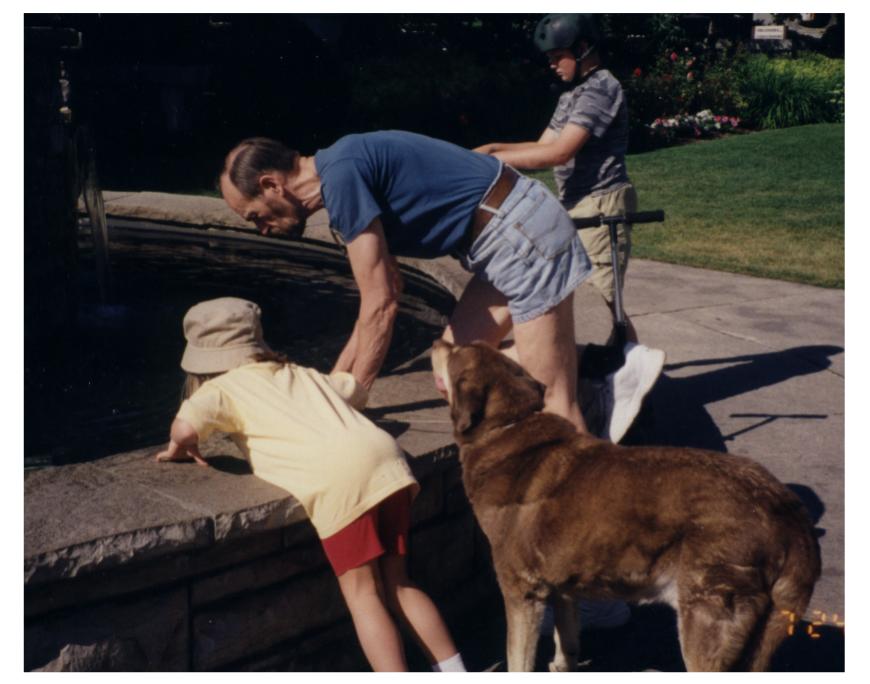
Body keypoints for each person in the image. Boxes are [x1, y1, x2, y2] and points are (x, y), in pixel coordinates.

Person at [156, 297, 465, 673]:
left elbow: (184, 427)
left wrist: (178, 448)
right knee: (399, 583)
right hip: (387, 460)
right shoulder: (298, 373)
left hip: (341, 481)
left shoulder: (218, 391)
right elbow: (353, 391)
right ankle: (455, 672)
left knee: (364, 596)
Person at [218, 131, 594, 435]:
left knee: (555, 408)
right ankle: (590, 365)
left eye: (256, 217)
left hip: (519, 232)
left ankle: (590, 521)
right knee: (451, 367)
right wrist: (334, 387)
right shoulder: (342, 174)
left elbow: (381, 304)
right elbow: (385, 294)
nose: (262, 229)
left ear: (271, 185)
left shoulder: (342, 177)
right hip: (502, 236)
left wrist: (350, 406)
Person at [474, 13, 665, 443]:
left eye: (558, 56)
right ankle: (623, 380)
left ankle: (635, 389)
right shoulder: (572, 93)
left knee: (605, 297)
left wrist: (494, 158)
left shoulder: (601, 88)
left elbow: (559, 154)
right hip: (575, 203)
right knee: (581, 292)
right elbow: (542, 146)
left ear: (582, 50)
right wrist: (491, 149)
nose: (551, 64)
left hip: (602, 200)